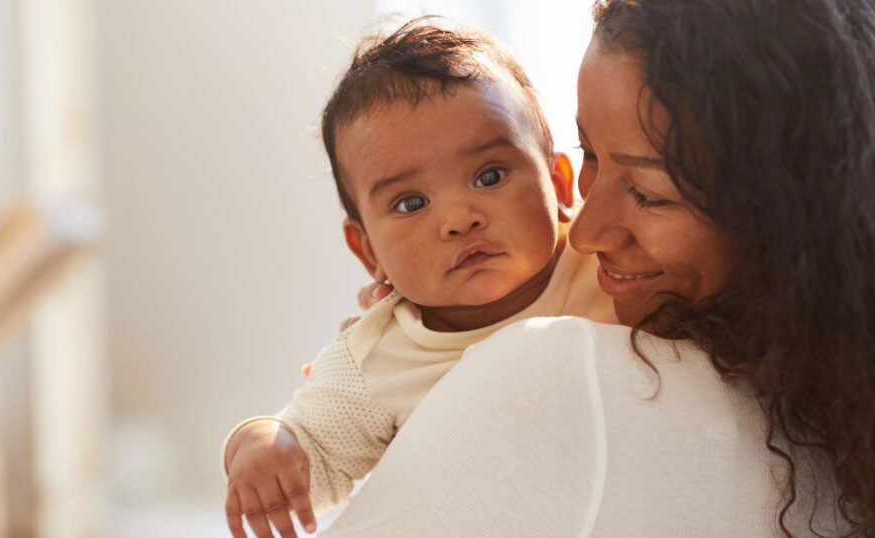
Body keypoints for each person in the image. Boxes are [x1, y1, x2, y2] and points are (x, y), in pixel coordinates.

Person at [320, 0, 875, 536]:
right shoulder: (837, 413)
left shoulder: (552, 371)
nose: (583, 232)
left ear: (791, 217)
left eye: (650, 193)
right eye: (590, 153)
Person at [222, 18, 617, 538]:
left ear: (559, 182)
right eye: (411, 203)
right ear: (368, 252)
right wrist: (258, 443)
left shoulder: (607, 258)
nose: (459, 218)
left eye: (490, 175)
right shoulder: (377, 355)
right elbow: (314, 451)